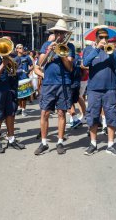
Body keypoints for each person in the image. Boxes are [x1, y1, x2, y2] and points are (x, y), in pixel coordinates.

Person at [34, 19, 74, 155]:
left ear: (65, 34)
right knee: (45, 113)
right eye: (57, 32)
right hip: (48, 83)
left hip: (64, 83)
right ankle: (44, 142)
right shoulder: (46, 44)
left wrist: (62, 54)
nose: (59, 35)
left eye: (62, 33)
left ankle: (60, 142)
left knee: (61, 113)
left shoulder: (70, 47)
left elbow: (69, 67)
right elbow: (39, 64)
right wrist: (48, 50)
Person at [82, 26, 116, 156]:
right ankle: (93, 144)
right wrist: (97, 49)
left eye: (106, 37)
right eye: (101, 37)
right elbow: (86, 62)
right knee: (93, 116)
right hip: (94, 89)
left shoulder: (113, 51)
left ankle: (110, 145)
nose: (104, 39)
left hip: (109, 89)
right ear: (96, 38)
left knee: (111, 116)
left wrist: (111, 55)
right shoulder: (89, 49)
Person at [14, 44, 33, 116]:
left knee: (24, 95)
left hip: (25, 78)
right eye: (20, 48)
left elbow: (32, 65)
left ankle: (24, 110)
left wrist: (29, 70)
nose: (22, 49)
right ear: (17, 49)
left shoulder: (27, 57)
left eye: (22, 47)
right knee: (19, 95)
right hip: (17, 79)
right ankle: (20, 108)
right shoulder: (15, 59)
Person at [68, 45, 83, 128]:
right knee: (72, 102)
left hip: (71, 82)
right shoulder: (78, 57)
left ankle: (75, 119)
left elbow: (69, 70)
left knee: (67, 103)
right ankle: (73, 120)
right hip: (77, 82)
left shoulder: (71, 59)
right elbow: (82, 71)